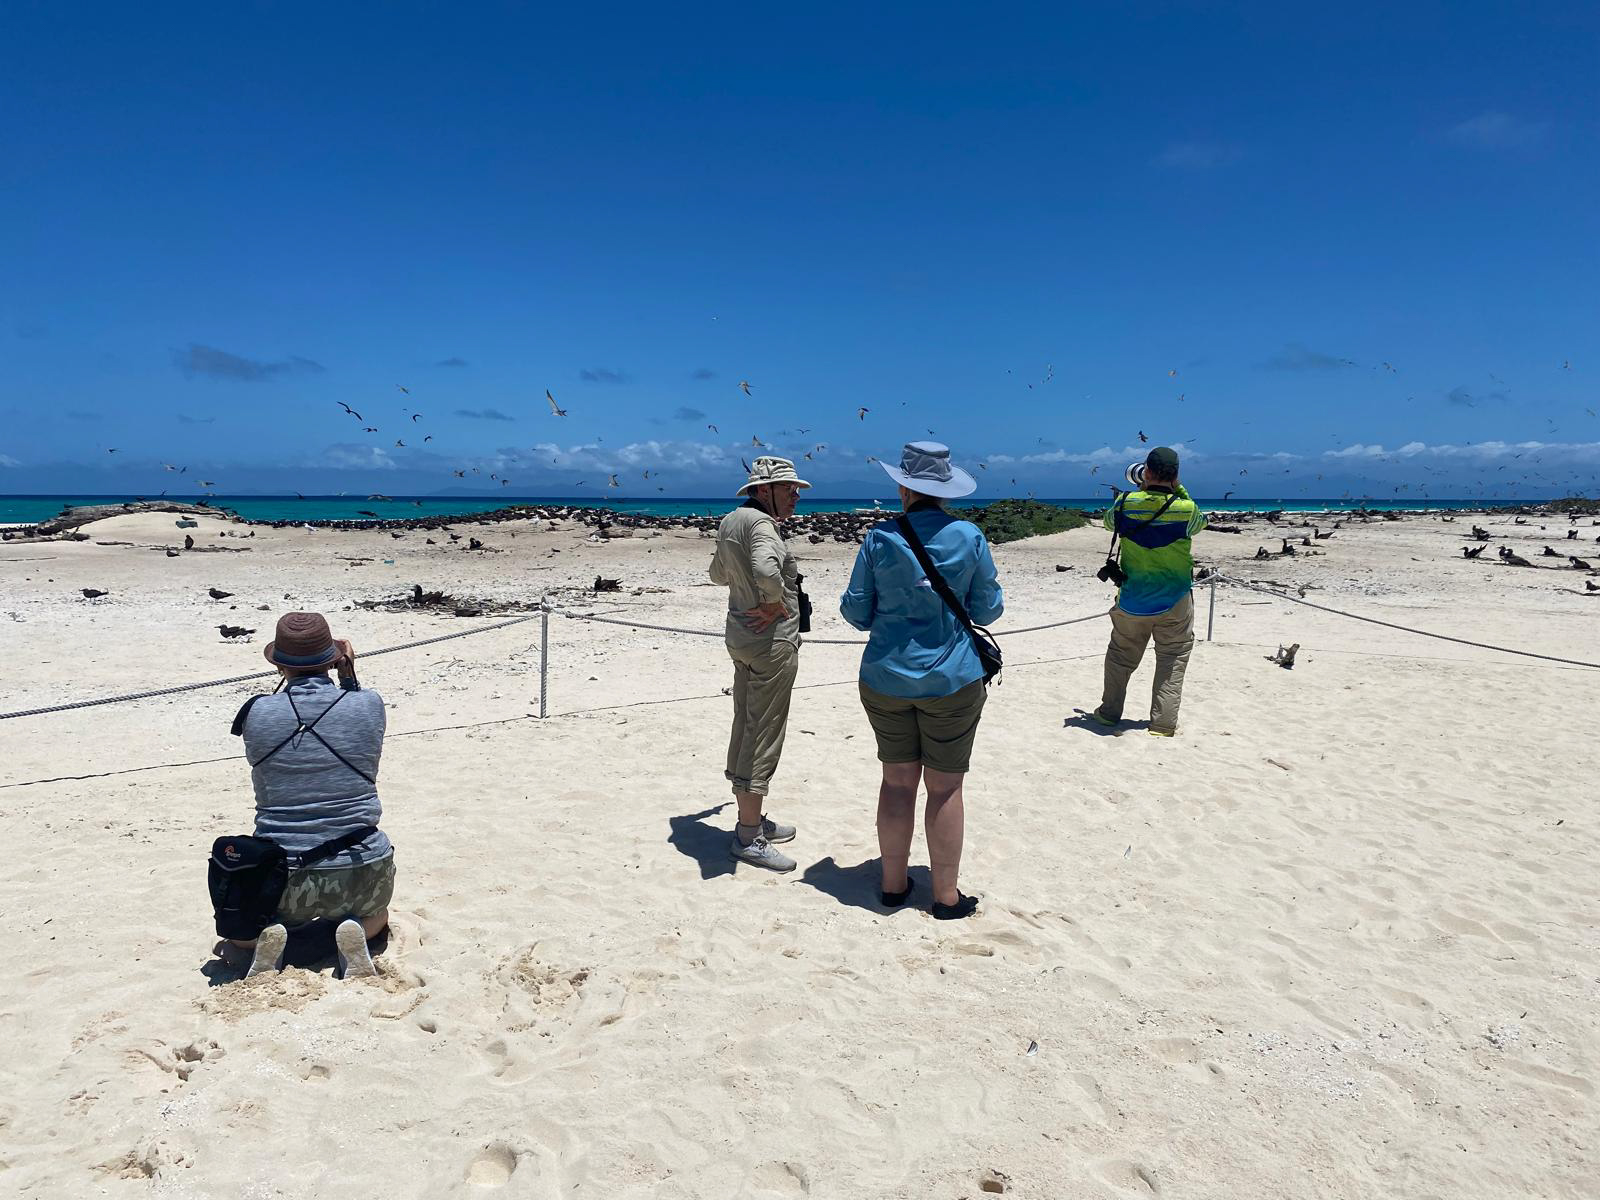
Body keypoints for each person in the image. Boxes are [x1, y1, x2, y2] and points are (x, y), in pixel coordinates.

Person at [840, 442, 1003, 920]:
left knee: (896, 783)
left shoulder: (879, 538)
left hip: (886, 677)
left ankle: (893, 886)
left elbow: (855, 612)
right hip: (952, 679)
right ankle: (946, 897)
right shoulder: (968, 535)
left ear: (903, 487)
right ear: (946, 490)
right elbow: (988, 609)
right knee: (945, 789)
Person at [224, 611, 394, 978]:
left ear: (279, 665)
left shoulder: (256, 713)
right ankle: (353, 931)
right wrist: (348, 675)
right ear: (334, 659)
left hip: (282, 872)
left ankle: (271, 937)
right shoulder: (368, 704)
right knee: (378, 917)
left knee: (238, 936)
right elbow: (355, 710)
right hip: (360, 864)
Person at [709, 457, 807, 872]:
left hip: (740, 636)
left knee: (746, 723)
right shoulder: (763, 525)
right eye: (789, 488)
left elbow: (717, 574)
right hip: (770, 642)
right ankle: (749, 834)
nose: (796, 495)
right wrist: (772, 602)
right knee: (764, 731)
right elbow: (766, 570)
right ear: (765, 490)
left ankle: (750, 816)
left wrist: (751, 591)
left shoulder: (731, 521)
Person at [1092, 445, 1207, 736]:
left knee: (1120, 657)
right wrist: (1179, 489)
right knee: (1172, 658)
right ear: (1176, 475)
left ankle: (1108, 714)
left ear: (1147, 472)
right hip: (1176, 599)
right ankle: (1163, 724)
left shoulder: (1124, 503)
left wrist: (1140, 493)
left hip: (1133, 597)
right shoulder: (1187, 509)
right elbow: (1201, 523)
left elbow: (1108, 522)